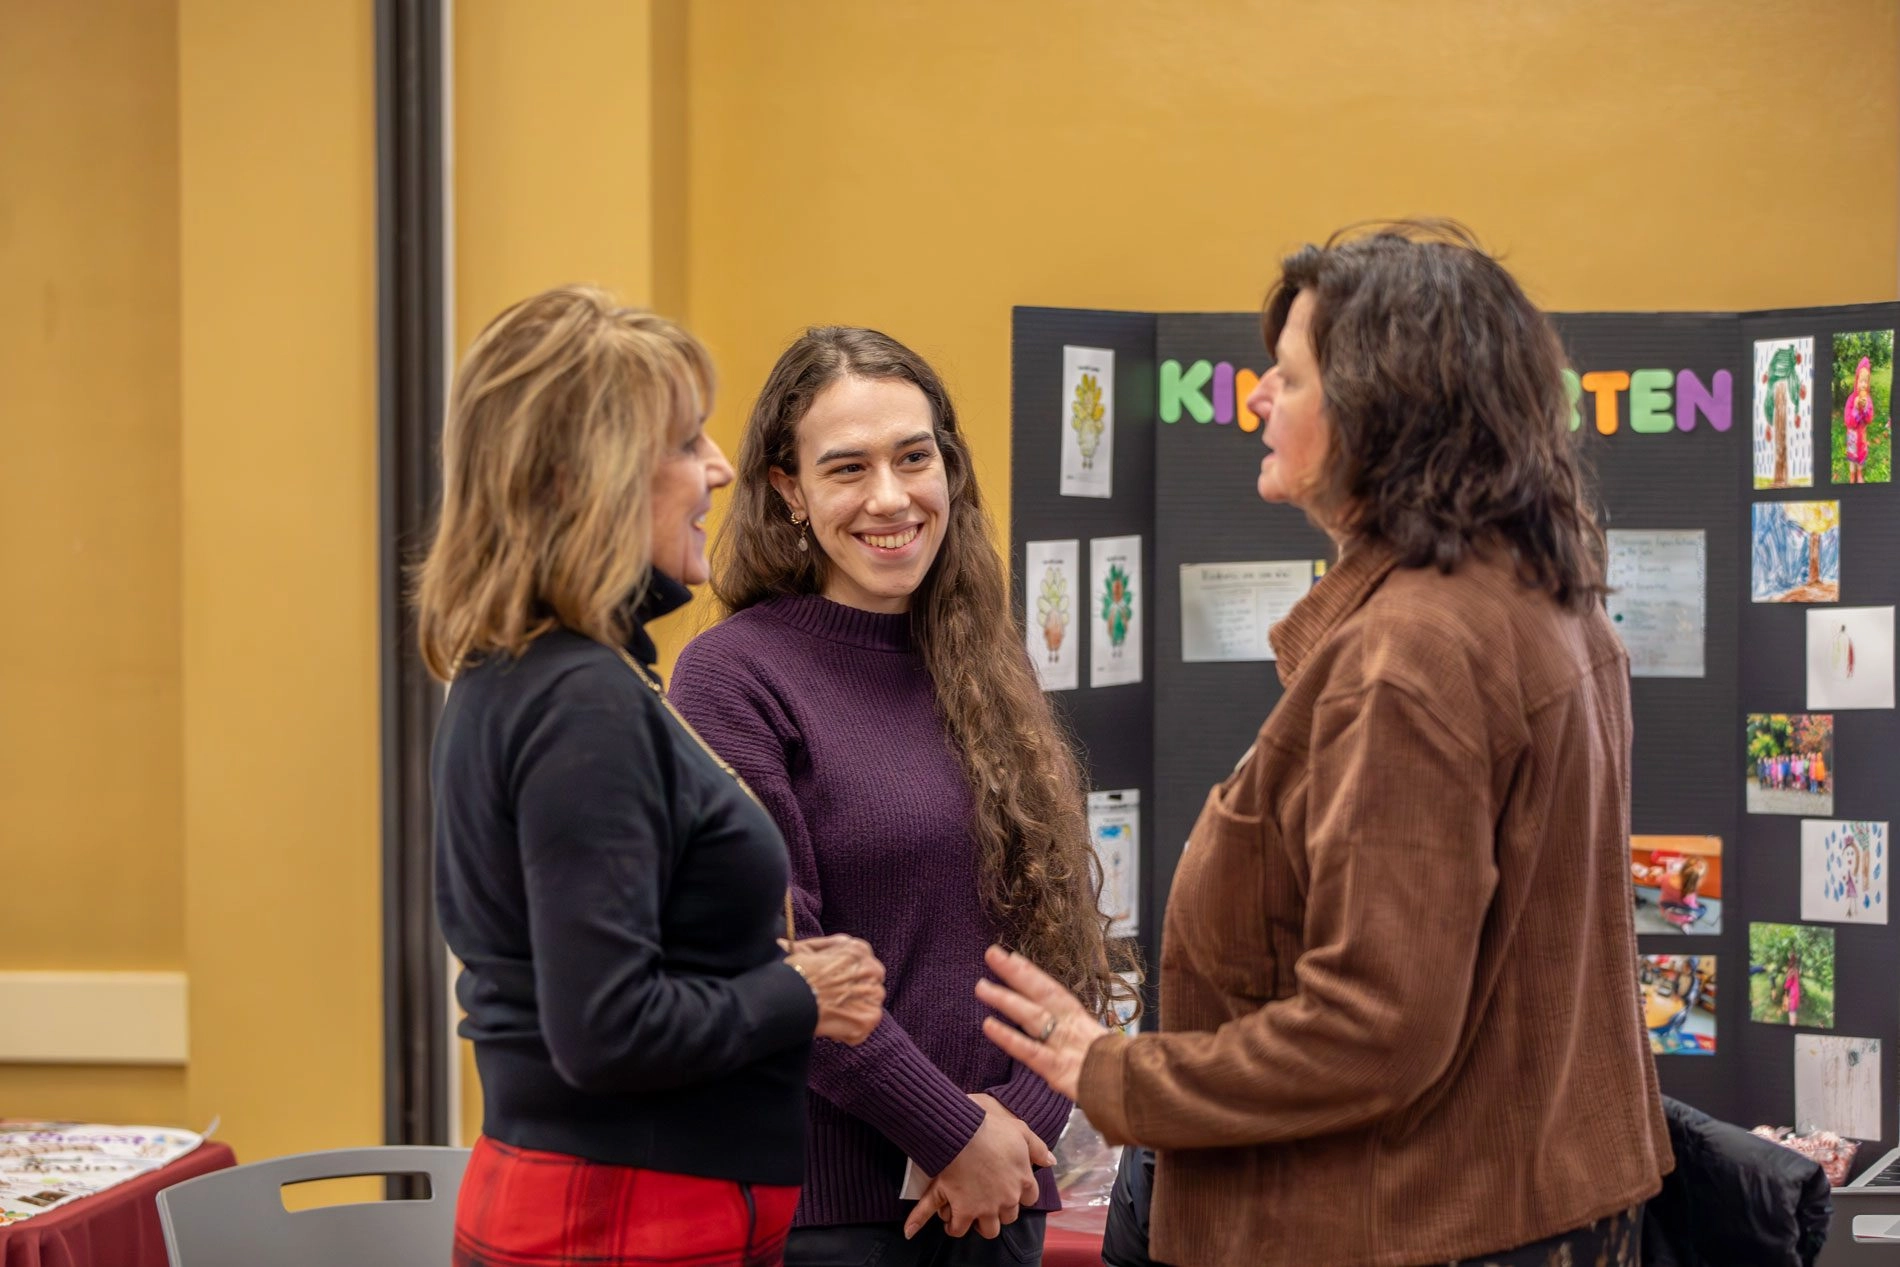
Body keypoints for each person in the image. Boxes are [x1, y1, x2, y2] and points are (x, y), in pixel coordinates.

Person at [970, 223, 1672, 1267]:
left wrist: (1111, 1071)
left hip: (1415, 1226)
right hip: (1526, 1209)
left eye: (1289, 377)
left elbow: (1372, 1026)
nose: (1257, 397)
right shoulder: (1534, 597)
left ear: (1382, 409)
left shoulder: (1414, 653)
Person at [418, 287, 887, 1267]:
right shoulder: (580, 700)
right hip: (623, 1217)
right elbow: (606, 1029)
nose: (719, 467)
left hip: (619, 1204)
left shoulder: (537, 672)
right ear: (582, 479)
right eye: (683, 442)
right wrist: (799, 992)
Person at [670, 326, 1137, 1265]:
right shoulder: (731, 677)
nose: (890, 497)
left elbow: (1058, 923)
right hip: (832, 1218)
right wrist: (951, 1134)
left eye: (913, 457)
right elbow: (776, 958)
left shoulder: (985, 660)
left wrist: (1016, 1127)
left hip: (1003, 1198)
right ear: (788, 490)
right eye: (847, 468)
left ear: (948, 469)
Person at [1843, 356, 1874, 484]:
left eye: (1866, 381)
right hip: (1852, 436)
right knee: (1852, 458)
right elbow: (1847, 421)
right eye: (1861, 381)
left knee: (1861, 457)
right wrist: (1855, 408)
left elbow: (1870, 419)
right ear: (1856, 381)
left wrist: (1865, 408)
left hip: (1862, 435)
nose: (1863, 384)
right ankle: (1852, 475)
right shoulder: (1851, 399)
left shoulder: (1868, 399)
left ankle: (1859, 474)